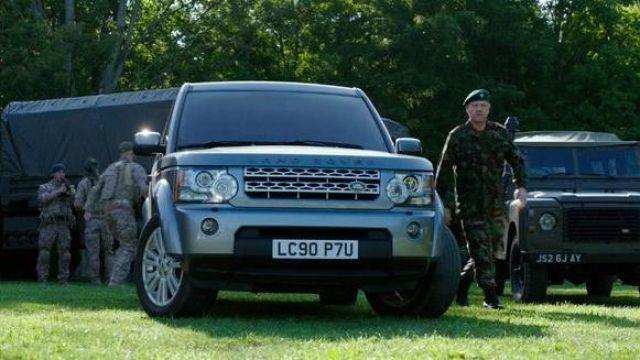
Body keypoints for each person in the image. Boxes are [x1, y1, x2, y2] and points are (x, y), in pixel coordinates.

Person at [435, 89, 528, 309]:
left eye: (483, 106)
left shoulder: (500, 133)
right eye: (475, 106)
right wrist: (445, 206)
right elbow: (444, 170)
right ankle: (490, 296)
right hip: (469, 205)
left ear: (489, 109)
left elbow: (516, 160)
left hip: (495, 204)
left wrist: (520, 186)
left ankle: (460, 284)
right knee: (479, 249)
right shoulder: (457, 136)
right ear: (467, 109)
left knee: (492, 250)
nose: (479, 109)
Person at [84, 141, 148, 287]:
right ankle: (116, 281)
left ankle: (114, 276)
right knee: (129, 245)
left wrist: (88, 209)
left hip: (107, 212)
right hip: (124, 209)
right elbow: (143, 187)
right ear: (131, 153)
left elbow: (96, 190)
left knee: (120, 246)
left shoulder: (110, 168)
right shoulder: (136, 168)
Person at [74, 158, 114, 285]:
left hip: (92, 220)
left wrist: (87, 209)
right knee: (108, 252)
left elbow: (78, 203)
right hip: (106, 219)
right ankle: (110, 279)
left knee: (93, 252)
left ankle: (95, 280)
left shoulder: (83, 183)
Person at [36, 163, 76, 285]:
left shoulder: (67, 187)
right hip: (49, 223)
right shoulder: (45, 187)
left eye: (63, 172)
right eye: (58, 172)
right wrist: (58, 191)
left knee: (65, 252)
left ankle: (63, 279)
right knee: (44, 251)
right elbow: (42, 199)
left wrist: (71, 191)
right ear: (53, 174)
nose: (61, 174)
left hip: (63, 224)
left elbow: (76, 201)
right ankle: (43, 278)